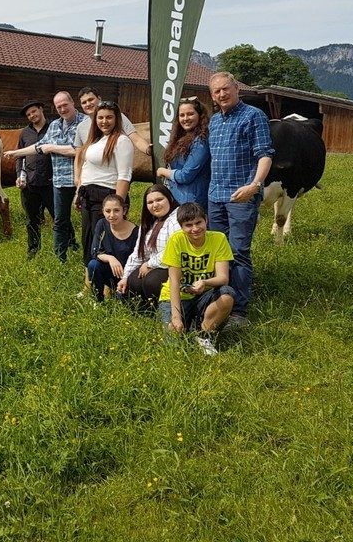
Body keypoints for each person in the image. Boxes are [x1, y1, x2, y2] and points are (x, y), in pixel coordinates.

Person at [207, 72, 274, 324]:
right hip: (215, 195)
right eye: (217, 91)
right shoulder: (214, 121)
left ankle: (239, 311)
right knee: (218, 252)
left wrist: (254, 186)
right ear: (212, 96)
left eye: (226, 89)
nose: (222, 94)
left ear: (237, 89)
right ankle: (220, 300)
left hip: (241, 196)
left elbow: (265, 154)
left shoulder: (254, 116)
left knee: (238, 252)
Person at [4, 91, 85, 262]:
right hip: (44, 181)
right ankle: (51, 256)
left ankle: (79, 249)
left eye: (65, 105)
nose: (32, 115)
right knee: (50, 220)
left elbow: (80, 150)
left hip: (67, 180)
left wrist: (51, 148)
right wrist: (16, 156)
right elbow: (35, 148)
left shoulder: (82, 123)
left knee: (75, 219)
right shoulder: (38, 130)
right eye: (59, 106)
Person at [159, 202, 236, 356]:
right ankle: (189, 325)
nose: (195, 228)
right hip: (177, 296)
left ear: (206, 220)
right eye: (188, 225)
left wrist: (205, 282)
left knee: (227, 294)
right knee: (173, 346)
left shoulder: (219, 238)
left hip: (204, 295)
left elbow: (223, 278)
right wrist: (176, 317)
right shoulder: (176, 240)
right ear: (181, 227)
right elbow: (174, 281)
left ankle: (203, 334)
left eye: (198, 222)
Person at [74, 100, 133, 269]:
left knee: (104, 242)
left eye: (109, 117)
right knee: (89, 240)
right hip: (88, 195)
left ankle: (110, 279)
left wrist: (117, 206)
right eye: (100, 118)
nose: (104, 121)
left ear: (116, 119)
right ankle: (90, 278)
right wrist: (78, 194)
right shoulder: (95, 141)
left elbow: (124, 176)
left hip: (106, 196)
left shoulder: (121, 141)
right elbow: (86, 168)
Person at [117, 184, 180, 311]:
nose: (155, 205)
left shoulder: (176, 219)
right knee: (133, 280)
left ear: (169, 199)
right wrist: (125, 277)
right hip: (155, 265)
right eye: (150, 202)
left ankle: (164, 309)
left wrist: (150, 264)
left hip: (174, 265)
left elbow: (174, 250)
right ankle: (146, 312)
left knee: (151, 281)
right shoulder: (149, 223)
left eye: (159, 199)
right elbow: (138, 253)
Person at [14, 99, 54, 258]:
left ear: (41, 109)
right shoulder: (25, 133)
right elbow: (20, 156)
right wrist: (19, 175)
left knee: (58, 218)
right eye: (28, 114)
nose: (32, 115)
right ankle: (33, 249)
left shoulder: (54, 128)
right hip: (30, 183)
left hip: (51, 183)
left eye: (34, 111)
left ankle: (67, 246)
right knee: (31, 220)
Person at [156, 97, 211, 211]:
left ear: (200, 116)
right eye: (182, 115)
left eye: (190, 114)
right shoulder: (181, 137)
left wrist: (163, 171)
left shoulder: (201, 141)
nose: (185, 118)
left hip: (192, 204)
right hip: (178, 200)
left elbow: (185, 176)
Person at [86, 194, 138, 302]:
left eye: (116, 210)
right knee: (93, 265)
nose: (112, 215)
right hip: (111, 272)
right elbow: (95, 252)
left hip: (129, 275)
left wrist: (125, 278)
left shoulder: (137, 232)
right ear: (103, 211)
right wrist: (111, 258)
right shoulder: (102, 224)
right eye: (108, 211)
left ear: (124, 211)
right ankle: (98, 300)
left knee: (124, 301)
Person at [74, 86, 150, 156]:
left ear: (99, 99)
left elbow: (136, 139)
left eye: (91, 99)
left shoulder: (118, 117)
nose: (88, 104)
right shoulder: (81, 127)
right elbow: (79, 155)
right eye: (84, 102)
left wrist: (148, 150)